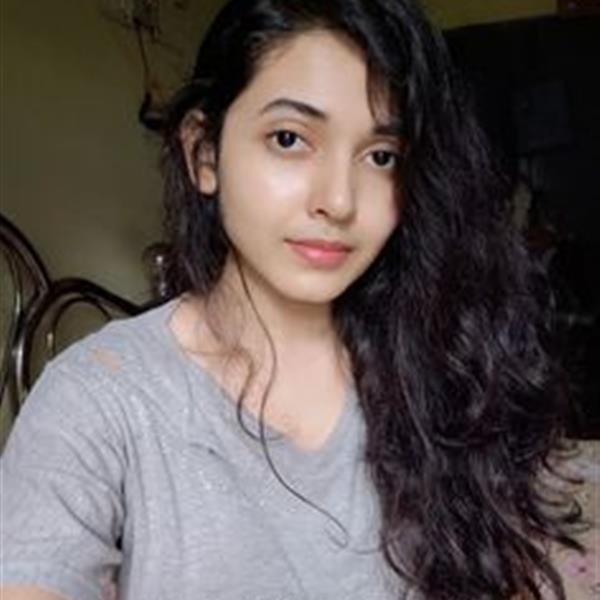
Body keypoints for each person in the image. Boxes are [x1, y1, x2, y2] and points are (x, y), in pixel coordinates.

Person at [1, 1, 585, 599]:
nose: (339, 200)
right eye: (289, 139)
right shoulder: (101, 398)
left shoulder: (441, 365)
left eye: (381, 156)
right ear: (204, 154)